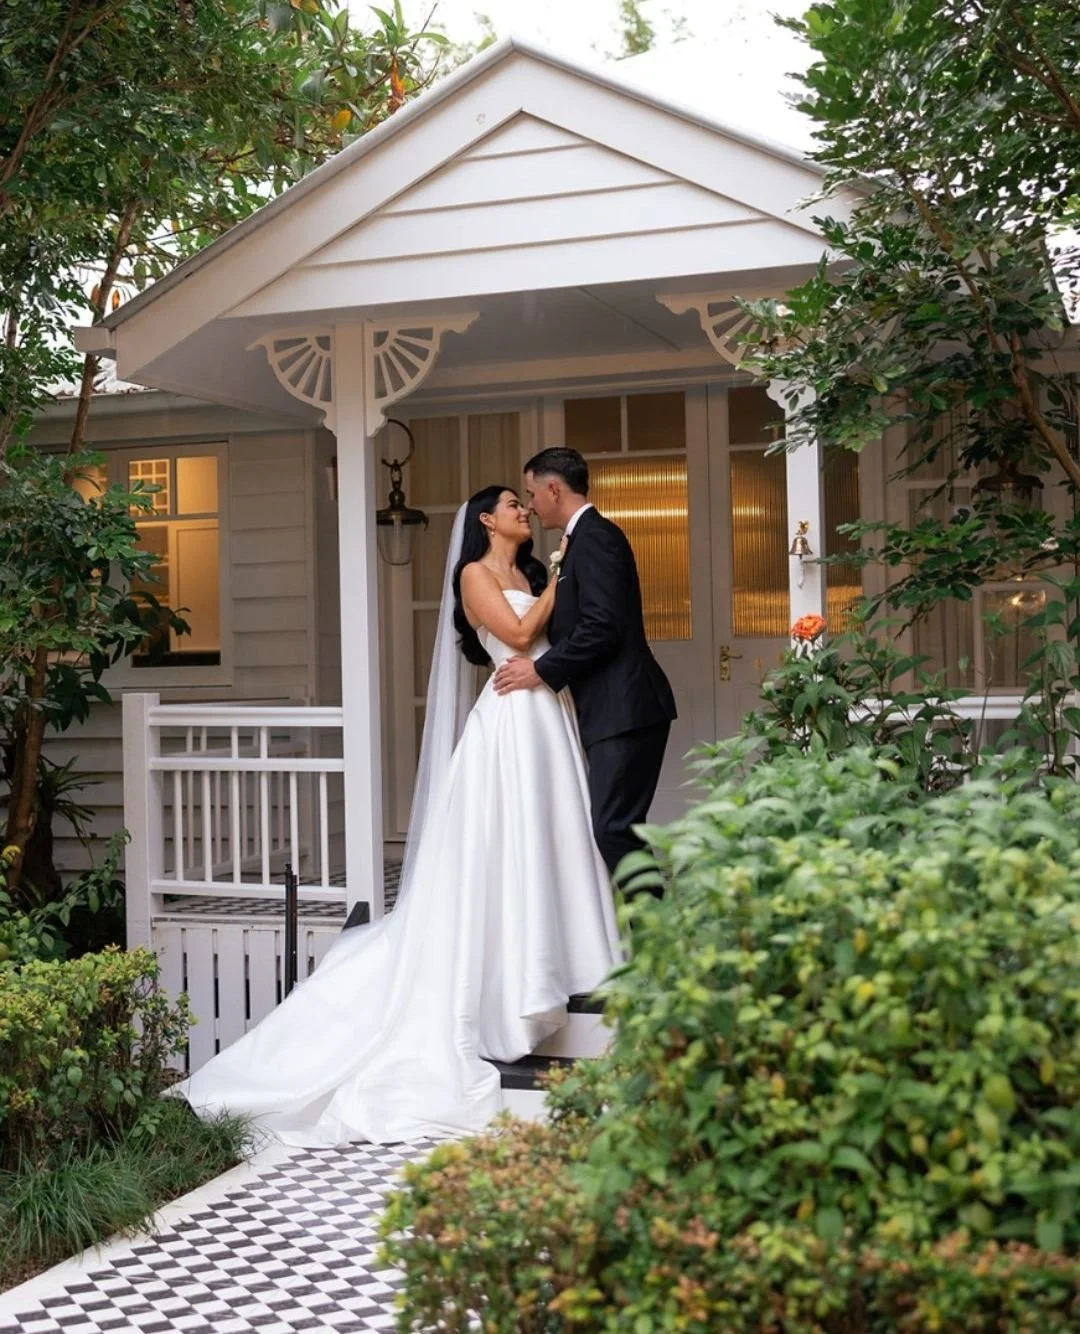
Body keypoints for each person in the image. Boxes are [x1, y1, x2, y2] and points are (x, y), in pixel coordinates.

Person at [172, 486, 621, 1146]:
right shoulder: (474, 576)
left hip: (545, 716)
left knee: (550, 840)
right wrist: (559, 575)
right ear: (486, 521)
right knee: (506, 848)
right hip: (506, 723)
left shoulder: (527, 571)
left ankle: (563, 961)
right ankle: (507, 989)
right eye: (510, 504)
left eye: (525, 504)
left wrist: (549, 580)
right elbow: (520, 634)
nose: (523, 511)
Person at [495, 447, 677, 892]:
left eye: (533, 493)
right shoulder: (580, 541)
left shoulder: (596, 538)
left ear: (554, 489)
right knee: (619, 827)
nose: (531, 505)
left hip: (626, 707)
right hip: (613, 709)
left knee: (614, 828)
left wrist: (541, 670)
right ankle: (653, 937)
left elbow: (603, 627)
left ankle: (659, 939)